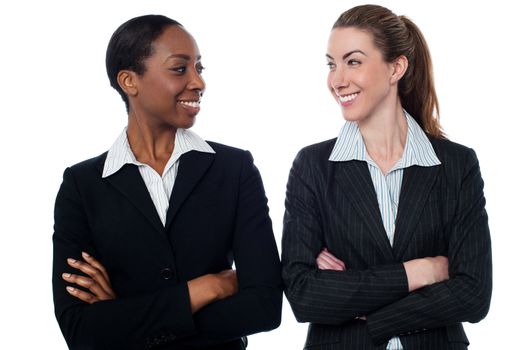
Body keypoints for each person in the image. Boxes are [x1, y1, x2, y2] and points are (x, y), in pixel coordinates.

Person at [52, 15, 282, 350]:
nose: (198, 82)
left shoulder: (234, 168)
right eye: (179, 69)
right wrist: (206, 289)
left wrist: (124, 318)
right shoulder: (82, 185)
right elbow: (80, 330)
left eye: (199, 69)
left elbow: (264, 307)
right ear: (130, 81)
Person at [282, 4, 492, 350]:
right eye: (331, 64)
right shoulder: (314, 166)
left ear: (396, 68)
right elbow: (304, 295)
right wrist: (419, 273)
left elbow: (473, 294)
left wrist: (367, 310)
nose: (337, 80)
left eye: (353, 61)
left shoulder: (456, 164)